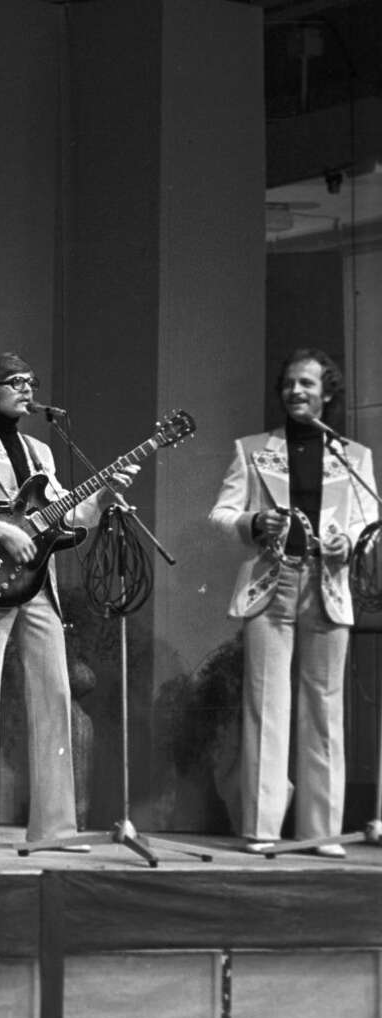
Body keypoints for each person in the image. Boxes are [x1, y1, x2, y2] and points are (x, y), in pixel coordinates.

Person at [0, 353, 133, 853]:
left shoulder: (40, 450)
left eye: (29, 381)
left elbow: (61, 513)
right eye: (13, 381)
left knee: (55, 696)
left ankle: (55, 828)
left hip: (39, 583)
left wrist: (100, 499)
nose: (26, 388)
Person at [209, 349, 375, 856]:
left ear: (327, 393)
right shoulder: (253, 450)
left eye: (307, 383)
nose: (295, 391)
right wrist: (253, 523)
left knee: (324, 710)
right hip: (271, 582)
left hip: (328, 583)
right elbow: (221, 514)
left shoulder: (354, 456)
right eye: (289, 383)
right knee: (266, 705)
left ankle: (321, 832)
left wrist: (349, 540)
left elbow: (368, 522)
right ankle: (262, 828)